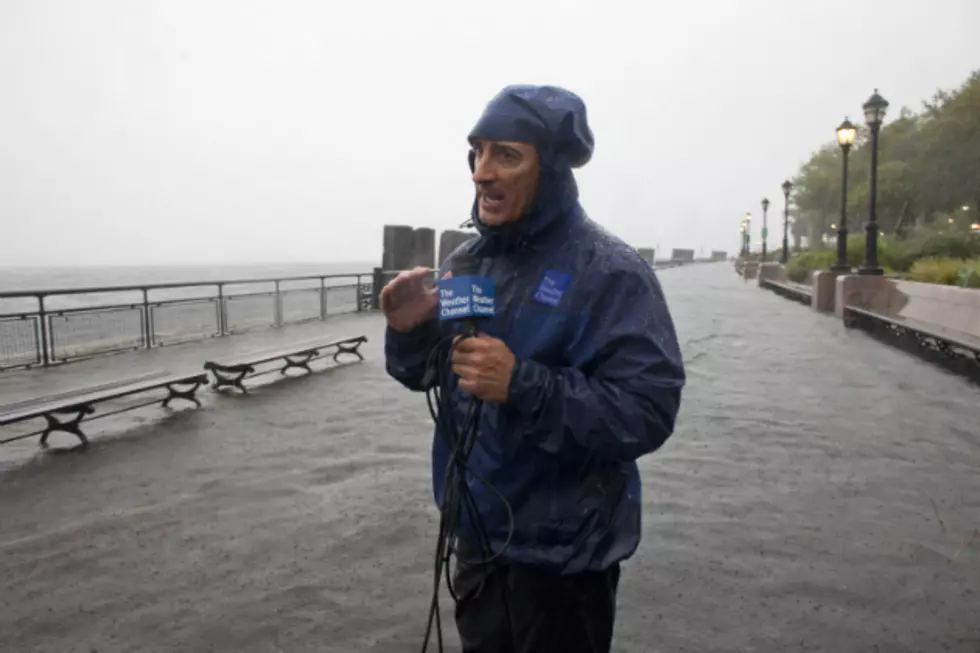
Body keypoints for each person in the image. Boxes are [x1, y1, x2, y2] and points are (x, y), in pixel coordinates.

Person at [381, 84, 685, 653]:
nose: (481, 172)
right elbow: (432, 373)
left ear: (549, 168)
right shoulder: (467, 262)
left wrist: (522, 384)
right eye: (478, 152)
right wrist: (411, 331)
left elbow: (648, 411)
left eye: (507, 155)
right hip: (477, 538)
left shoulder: (611, 272)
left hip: (565, 560)